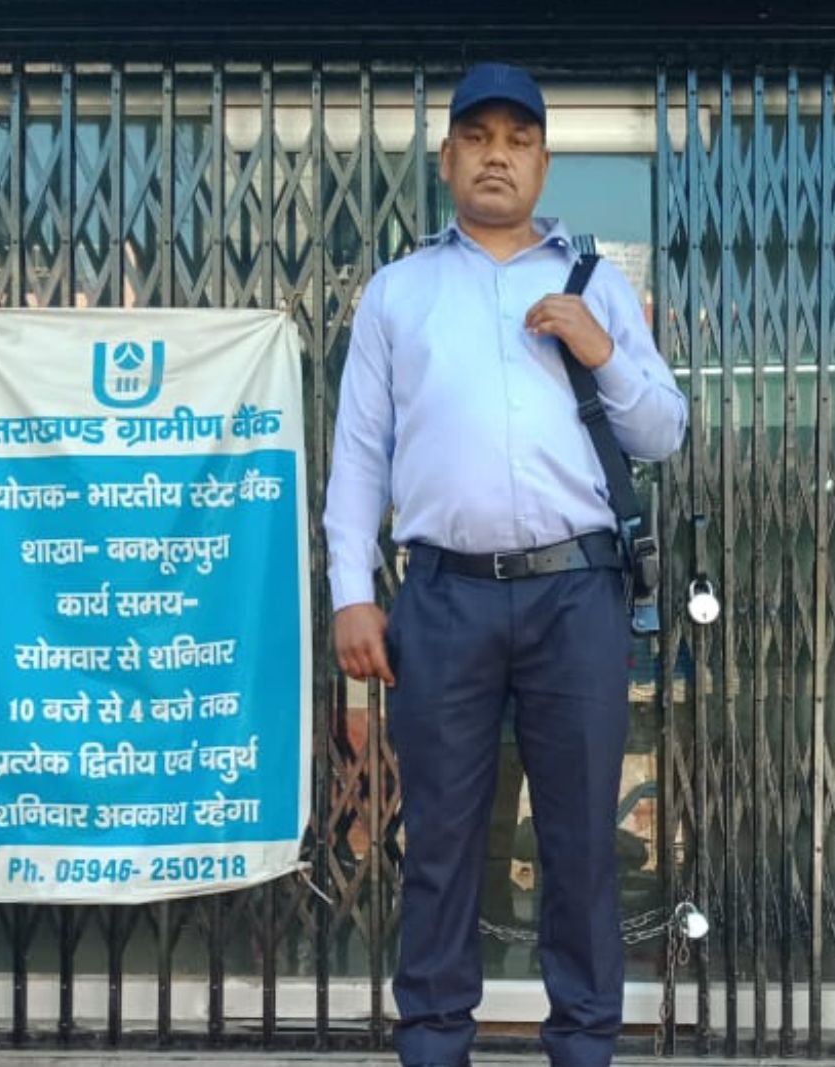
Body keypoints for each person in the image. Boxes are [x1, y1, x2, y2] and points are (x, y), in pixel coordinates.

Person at [323, 61, 688, 1067]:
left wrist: (600, 348)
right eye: (477, 138)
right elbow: (358, 454)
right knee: (442, 840)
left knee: (579, 840)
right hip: (443, 597)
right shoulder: (398, 293)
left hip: (577, 593)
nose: (497, 155)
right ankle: (434, 1041)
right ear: (446, 159)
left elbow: (664, 430)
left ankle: (584, 1043)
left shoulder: (595, 284)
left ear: (543, 163)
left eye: (518, 140)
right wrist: (352, 593)